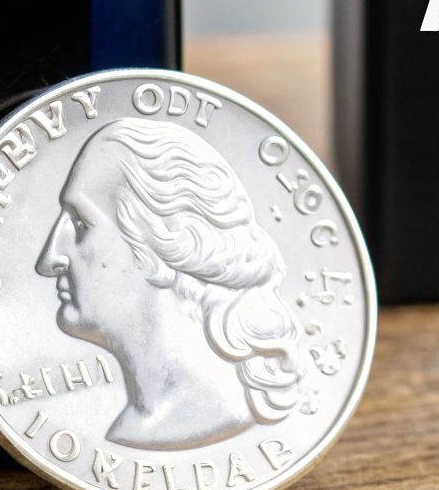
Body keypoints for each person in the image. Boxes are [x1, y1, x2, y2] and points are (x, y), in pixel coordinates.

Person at [35, 119, 307, 449]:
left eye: (80, 223)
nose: (49, 260)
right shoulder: (136, 422)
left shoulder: (211, 414)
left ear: (165, 239)